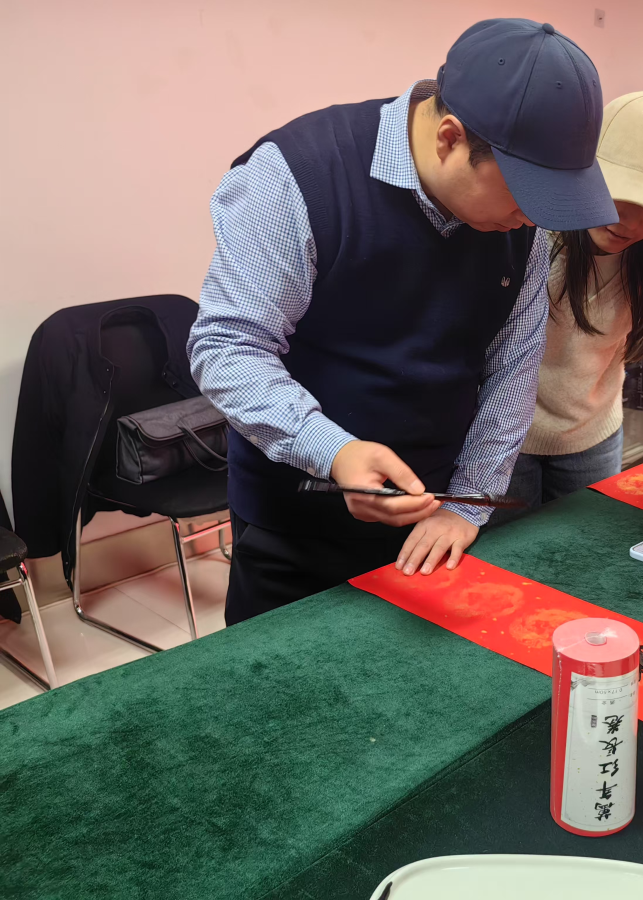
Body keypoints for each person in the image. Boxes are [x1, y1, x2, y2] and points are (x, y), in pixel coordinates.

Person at [188, 19, 618, 625]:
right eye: (524, 195)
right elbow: (227, 346)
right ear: (450, 138)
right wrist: (333, 451)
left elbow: (514, 368)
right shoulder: (297, 176)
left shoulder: (520, 225)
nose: (531, 219)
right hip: (295, 522)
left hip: (433, 523)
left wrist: (467, 505)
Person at [495, 92, 643, 521]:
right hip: (507, 435)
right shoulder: (536, 230)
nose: (628, 220)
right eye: (616, 191)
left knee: (589, 551)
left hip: (594, 435)